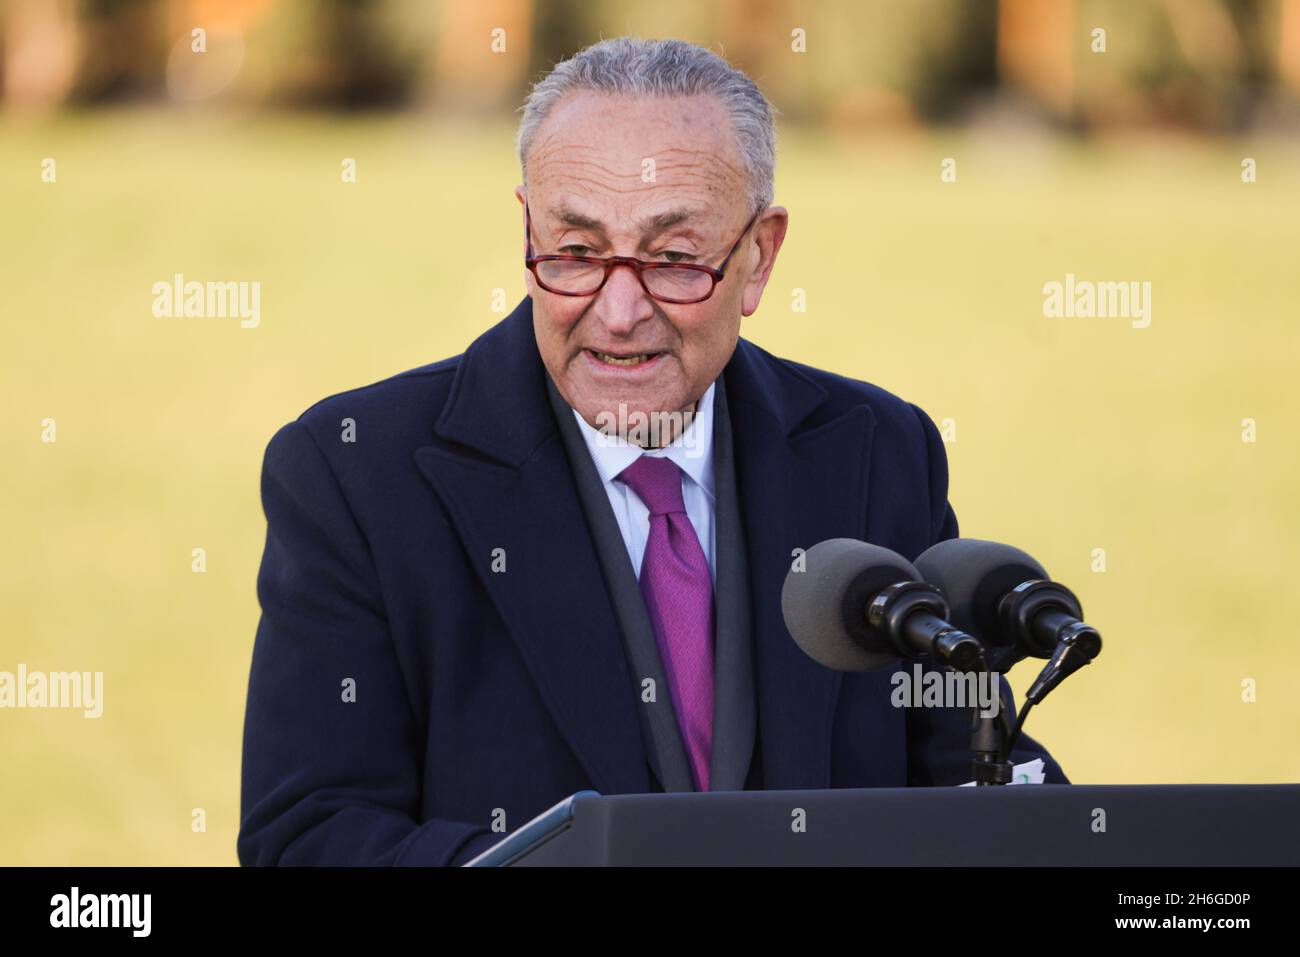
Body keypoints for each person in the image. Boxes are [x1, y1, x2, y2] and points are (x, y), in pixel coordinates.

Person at [238, 36, 1066, 867]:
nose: (620, 311)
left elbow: (974, 776)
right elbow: (310, 835)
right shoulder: (353, 474)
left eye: (673, 259)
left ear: (759, 257)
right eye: (576, 252)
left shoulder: (881, 452)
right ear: (526, 229)